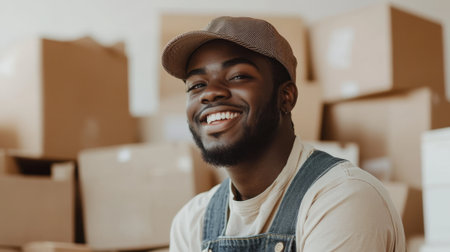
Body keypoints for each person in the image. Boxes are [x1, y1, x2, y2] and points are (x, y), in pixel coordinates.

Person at [161, 16, 405, 252]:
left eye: (238, 76)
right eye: (196, 85)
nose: (210, 93)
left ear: (286, 97)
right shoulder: (193, 221)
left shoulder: (343, 198)